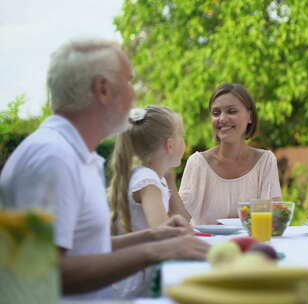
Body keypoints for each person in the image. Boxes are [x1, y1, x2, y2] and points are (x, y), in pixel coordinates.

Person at [0, 38, 209, 300]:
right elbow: (40, 273)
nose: (135, 95)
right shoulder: (51, 158)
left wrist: (155, 236)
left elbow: (85, 250)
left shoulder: (75, 155)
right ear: (102, 89)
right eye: (129, 81)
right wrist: (157, 251)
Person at [108, 105, 192, 298]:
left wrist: (170, 183)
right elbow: (163, 233)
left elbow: (185, 220)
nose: (185, 142)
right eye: (182, 136)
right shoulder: (147, 181)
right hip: (139, 283)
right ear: (170, 145)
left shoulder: (153, 178)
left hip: (137, 272)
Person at [179, 83, 281, 225]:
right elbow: (180, 218)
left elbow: (273, 219)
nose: (222, 118)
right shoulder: (197, 163)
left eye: (231, 111)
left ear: (250, 116)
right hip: (204, 246)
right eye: (216, 113)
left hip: (251, 245)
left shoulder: (265, 161)